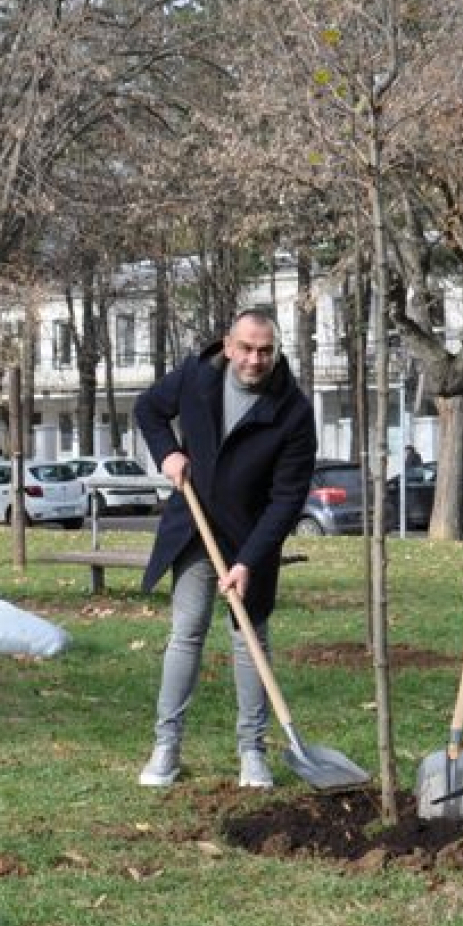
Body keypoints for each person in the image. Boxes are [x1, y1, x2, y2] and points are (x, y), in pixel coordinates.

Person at [133, 310, 316, 789]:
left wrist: (249, 561)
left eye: (265, 351)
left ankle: (252, 751)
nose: (255, 360)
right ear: (229, 345)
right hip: (195, 527)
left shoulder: (292, 410)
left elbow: (287, 499)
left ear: (276, 352)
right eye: (247, 348)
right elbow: (148, 409)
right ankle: (166, 746)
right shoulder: (196, 378)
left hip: (252, 537)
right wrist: (167, 453)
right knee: (187, 631)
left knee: (249, 639)